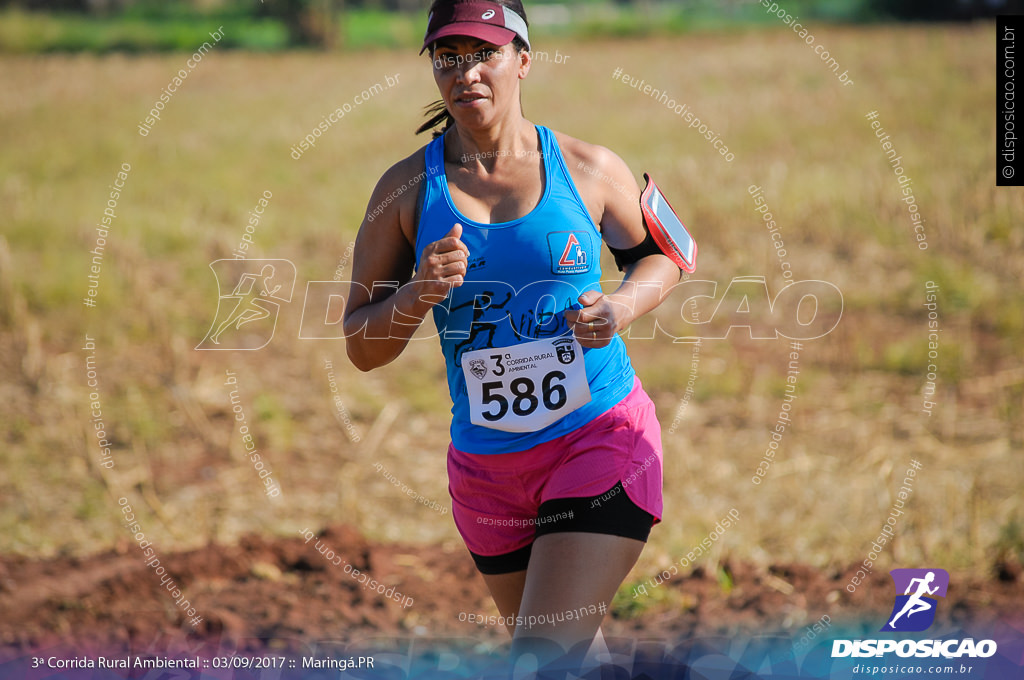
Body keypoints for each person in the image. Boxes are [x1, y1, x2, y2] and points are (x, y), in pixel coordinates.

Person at [343, 0, 684, 673]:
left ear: (522, 61)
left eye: (484, 54)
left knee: (542, 659)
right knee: (578, 660)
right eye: (448, 57)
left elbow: (663, 255)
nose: (464, 71)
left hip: (600, 440)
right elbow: (361, 346)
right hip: (487, 476)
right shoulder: (406, 191)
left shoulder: (589, 168)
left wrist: (618, 310)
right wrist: (419, 294)